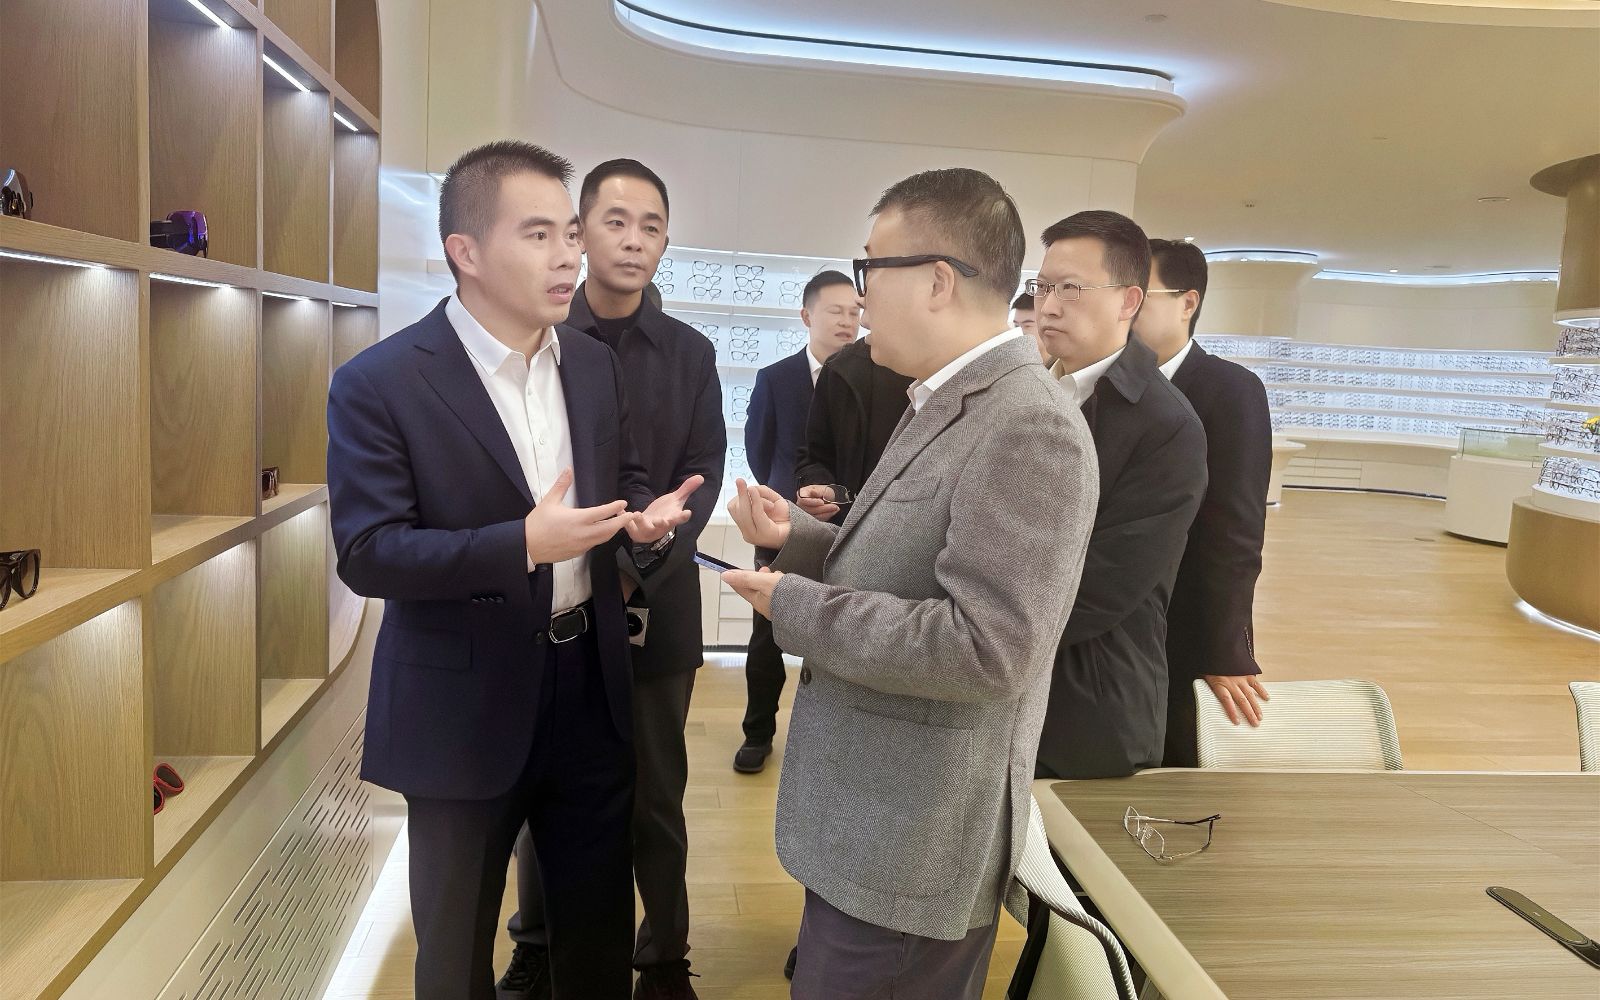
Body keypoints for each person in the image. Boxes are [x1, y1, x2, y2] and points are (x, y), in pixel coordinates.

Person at [326, 140, 702, 1000]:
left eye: (570, 233)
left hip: (590, 682)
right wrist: (522, 544)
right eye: (539, 235)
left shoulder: (592, 366)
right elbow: (369, 552)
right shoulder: (381, 382)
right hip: (461, 703)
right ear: (465, 251)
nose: (569, 256)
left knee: (596, 936)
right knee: (455, 953)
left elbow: (620, 479)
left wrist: (640, 522)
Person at [720, 167, 1099, 999]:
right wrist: (799, 539)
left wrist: (794, 604)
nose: (860, 298)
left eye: (870, 269)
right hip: (875, 818)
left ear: (936, 281)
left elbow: (987, 648)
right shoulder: (944, 398)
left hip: (913, 840)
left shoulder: (1027, 424)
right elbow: (905, 558)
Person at [499, 159, 724, 1000]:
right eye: (616, 222)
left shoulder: (691, 353)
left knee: (657, 796)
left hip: (657, 605)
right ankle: (538, 942)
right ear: (580, 233)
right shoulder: (542, 338)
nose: (634, 241)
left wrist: (636, 569)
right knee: (546, 792)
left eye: (651, 226)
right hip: (558, 606)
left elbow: (703, 472)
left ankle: (662, 956)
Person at [1032, 209, 1208, 780]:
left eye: (1071, 289)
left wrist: (981, 629)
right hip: (1005, 679)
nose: (1049, 306)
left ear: (1130, 301)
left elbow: (1108, 584)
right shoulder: (1027, 394)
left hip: (1090, 701)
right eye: (1042, 286)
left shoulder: (1166, 424)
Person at [1132, 238, 1273, 766]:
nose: (1125, 308)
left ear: (1187, 302)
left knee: (1178, 751)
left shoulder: (1229, 389)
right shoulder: (1105, 384)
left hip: (1184, 614)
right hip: (1114, 614)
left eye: (1140, 295)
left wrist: (1225, 647)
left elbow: (1235, 527)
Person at [734, 270, 861, 775]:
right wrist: (787, 503)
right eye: (836, 311)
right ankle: (757, 733)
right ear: (807, 316)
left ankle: (833, 743)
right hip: (781, 525)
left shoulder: (874, 376)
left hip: (852, 526)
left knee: (844, 631)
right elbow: (758, 449)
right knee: (766, 631)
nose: (848, 321)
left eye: (855, 312)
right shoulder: (776, 377)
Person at [1011, 291, 1049, 362]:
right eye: (1016, 326)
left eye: (1027, 326)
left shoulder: (1064, 366)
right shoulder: (1016, 363)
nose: (1019, 333)